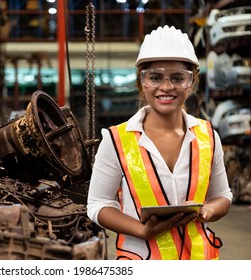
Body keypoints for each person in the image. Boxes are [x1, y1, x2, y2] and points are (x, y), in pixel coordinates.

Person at [87, 25, 232, 260]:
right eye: (154, 77)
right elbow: (97, 204)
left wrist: (208, 210)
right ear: (141, 82)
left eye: (178, 78)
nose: (166, 87)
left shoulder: (208, 136)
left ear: (192, 82)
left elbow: (223, 196)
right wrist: (141, 231)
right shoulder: (115, 140)